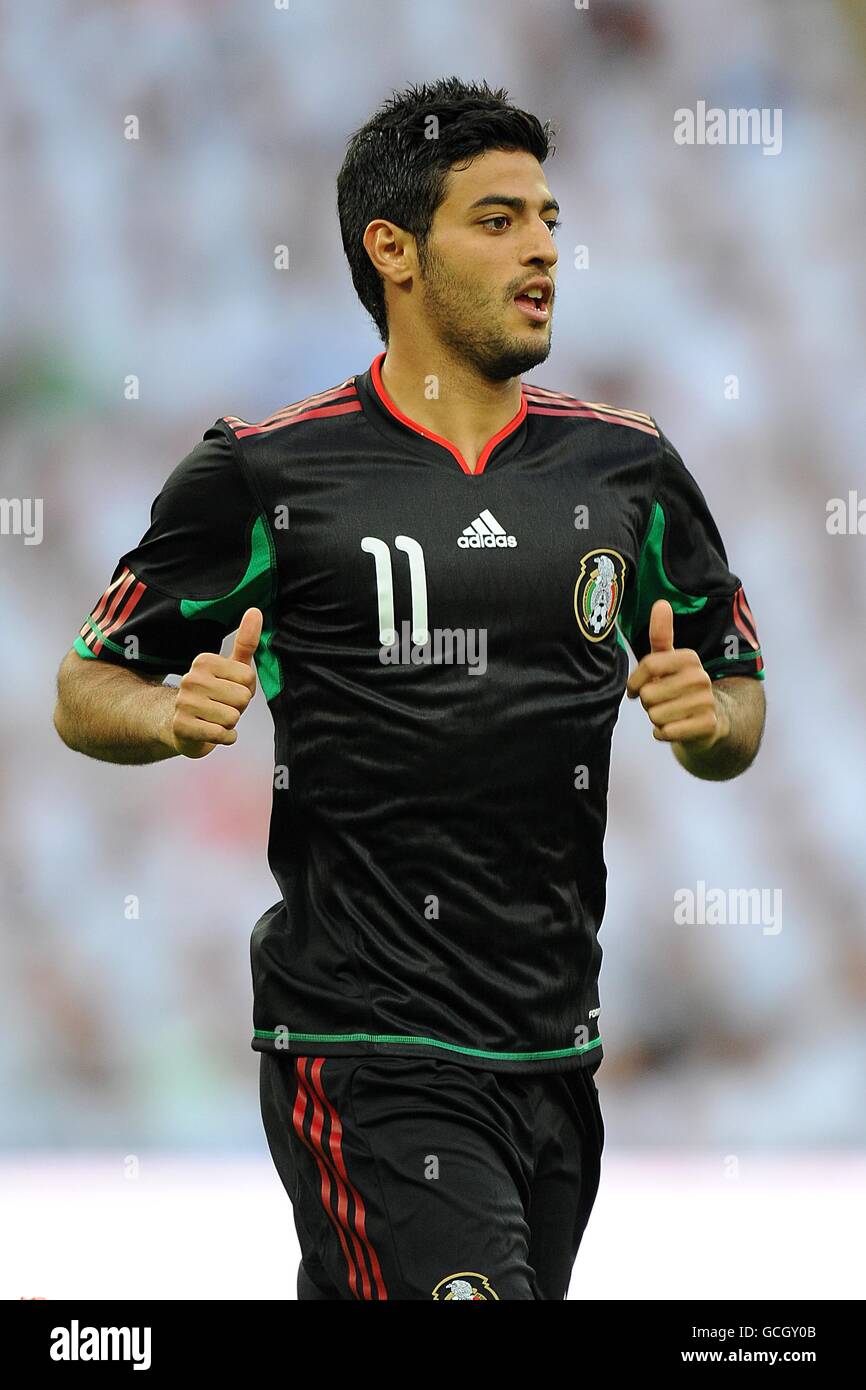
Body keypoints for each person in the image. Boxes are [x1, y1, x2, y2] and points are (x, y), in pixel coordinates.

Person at [53, 77, 766, 1300]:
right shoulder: (266, 470)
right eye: (495, 219)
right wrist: (167, 715)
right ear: (393, 250)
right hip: (364, 1041)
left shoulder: (630, 468)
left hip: (553, 1048)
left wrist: (710, 728)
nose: (542, 245)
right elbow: (84, 684)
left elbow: (738, 696)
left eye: (546, 216)